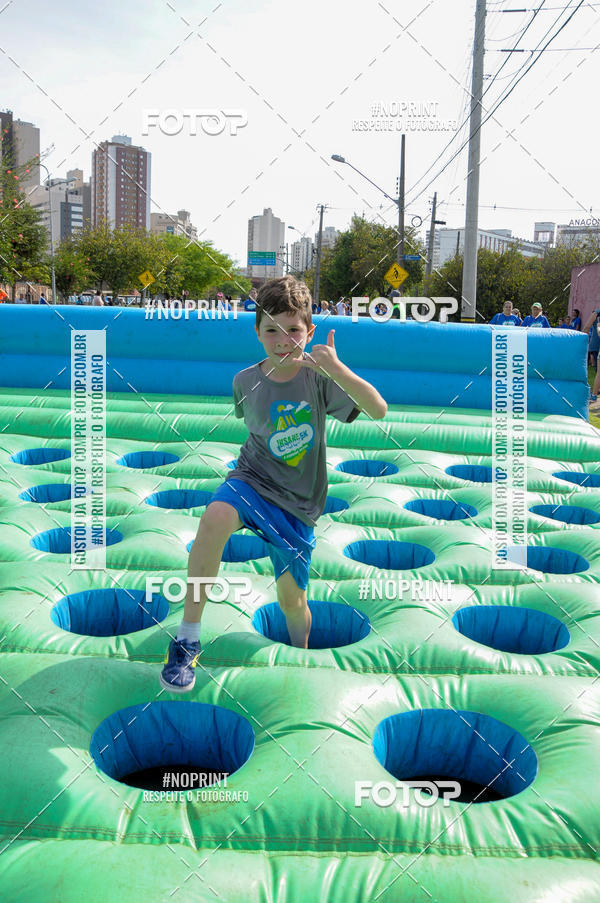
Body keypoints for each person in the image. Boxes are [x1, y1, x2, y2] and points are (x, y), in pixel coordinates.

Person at [160, 275, 387, 691]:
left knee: (292, 603)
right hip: (250, 480)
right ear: (257, 332)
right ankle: (187, 638)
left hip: (297, 505)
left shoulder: (319, 379)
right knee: (214, 519)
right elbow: (256, 431)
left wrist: (336, 369)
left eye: (294, 330)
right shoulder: (245, 381)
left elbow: (379, 409)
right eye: (272, 330)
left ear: (310, 331)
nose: (284, 340)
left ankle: (299, 655)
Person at [583, 307, 600, 397]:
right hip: (595, 346)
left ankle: (594, 394)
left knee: (598, 371)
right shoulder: (596, 314)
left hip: (595, 345)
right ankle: (595, 392)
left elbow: (586, 327)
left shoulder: (596, 314)